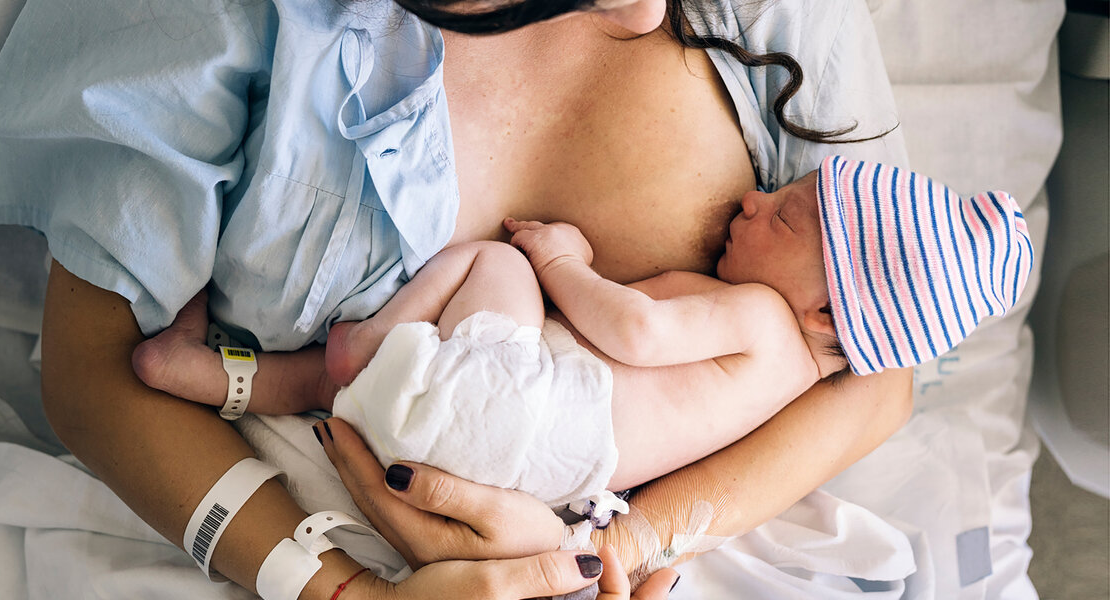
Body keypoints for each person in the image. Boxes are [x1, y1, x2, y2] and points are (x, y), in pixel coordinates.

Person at [0, 0, 917, 596]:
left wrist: (615, 549)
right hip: (301, 534)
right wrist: (341, 594)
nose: (644, 15)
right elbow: (93, 375)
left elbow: (879, 369)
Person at [133, 155, 1032, 517]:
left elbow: (636, 330)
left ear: (828, 315)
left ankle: (368, 339)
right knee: (332, 391)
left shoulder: (764, 322)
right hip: (537, 479)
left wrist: (562, 263)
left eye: (787, 218)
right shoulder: (792, 375)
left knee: (495, 266)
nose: (755, 199)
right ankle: (210, 375)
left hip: (532, 415)